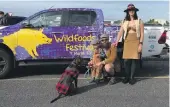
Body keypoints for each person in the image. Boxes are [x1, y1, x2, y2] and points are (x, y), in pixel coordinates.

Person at [113, 4, 144, 85]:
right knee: (126, 60)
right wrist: (116, 41)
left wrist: (140, 44)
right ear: (127, 12)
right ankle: (126, 76)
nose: (131, 11)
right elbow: (121, 31)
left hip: (136, 41)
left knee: (134, 60)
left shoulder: (139, 21)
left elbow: (142, 33)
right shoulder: (124, 21)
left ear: (135, 11)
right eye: (130, 10)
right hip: (127, 41)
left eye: (132, 10)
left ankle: (131, 77)